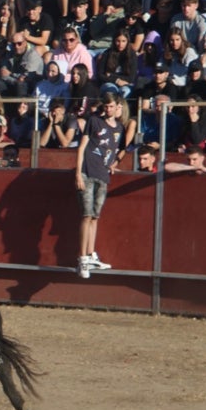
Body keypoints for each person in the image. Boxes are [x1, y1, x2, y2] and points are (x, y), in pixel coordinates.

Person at [74, 91, 124, 278]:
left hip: (103, 173)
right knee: (86, 215)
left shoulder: (119, 127)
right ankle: (82, 259)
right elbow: (81, 147)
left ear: (118, 106)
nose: (109, 109)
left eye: (112, 106)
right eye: (106, 106)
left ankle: (89, 254)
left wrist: (114, 163)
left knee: (95, 216)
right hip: (88, 171)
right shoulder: (94, 121)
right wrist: (78, 173)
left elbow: (117, 150)